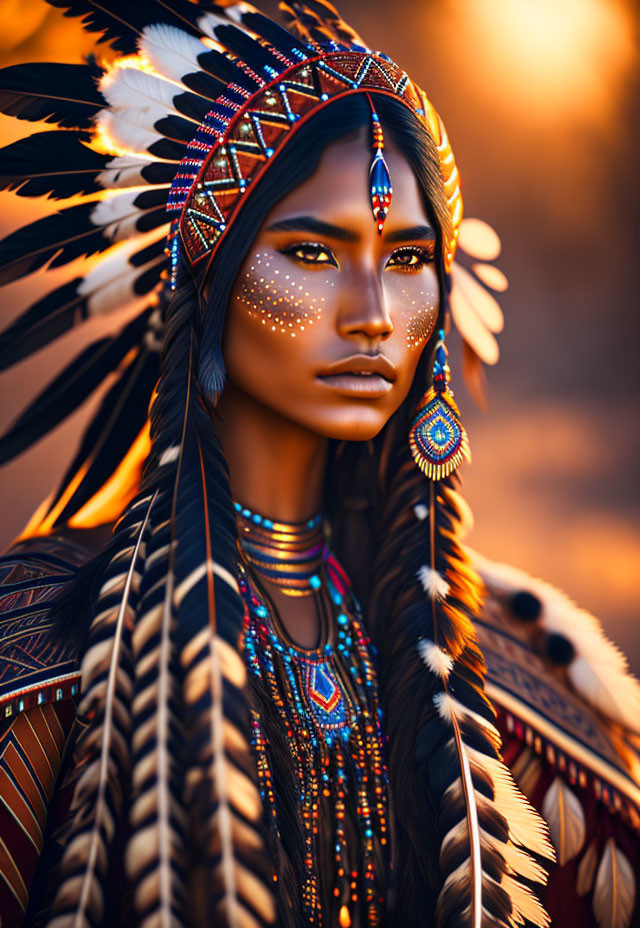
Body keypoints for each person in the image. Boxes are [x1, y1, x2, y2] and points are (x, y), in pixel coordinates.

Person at [0, 2, 638, 926]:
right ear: (207, 283)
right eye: (313, 251)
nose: (373, 310)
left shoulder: (508, 676)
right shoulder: (41, 664)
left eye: (409, 256)